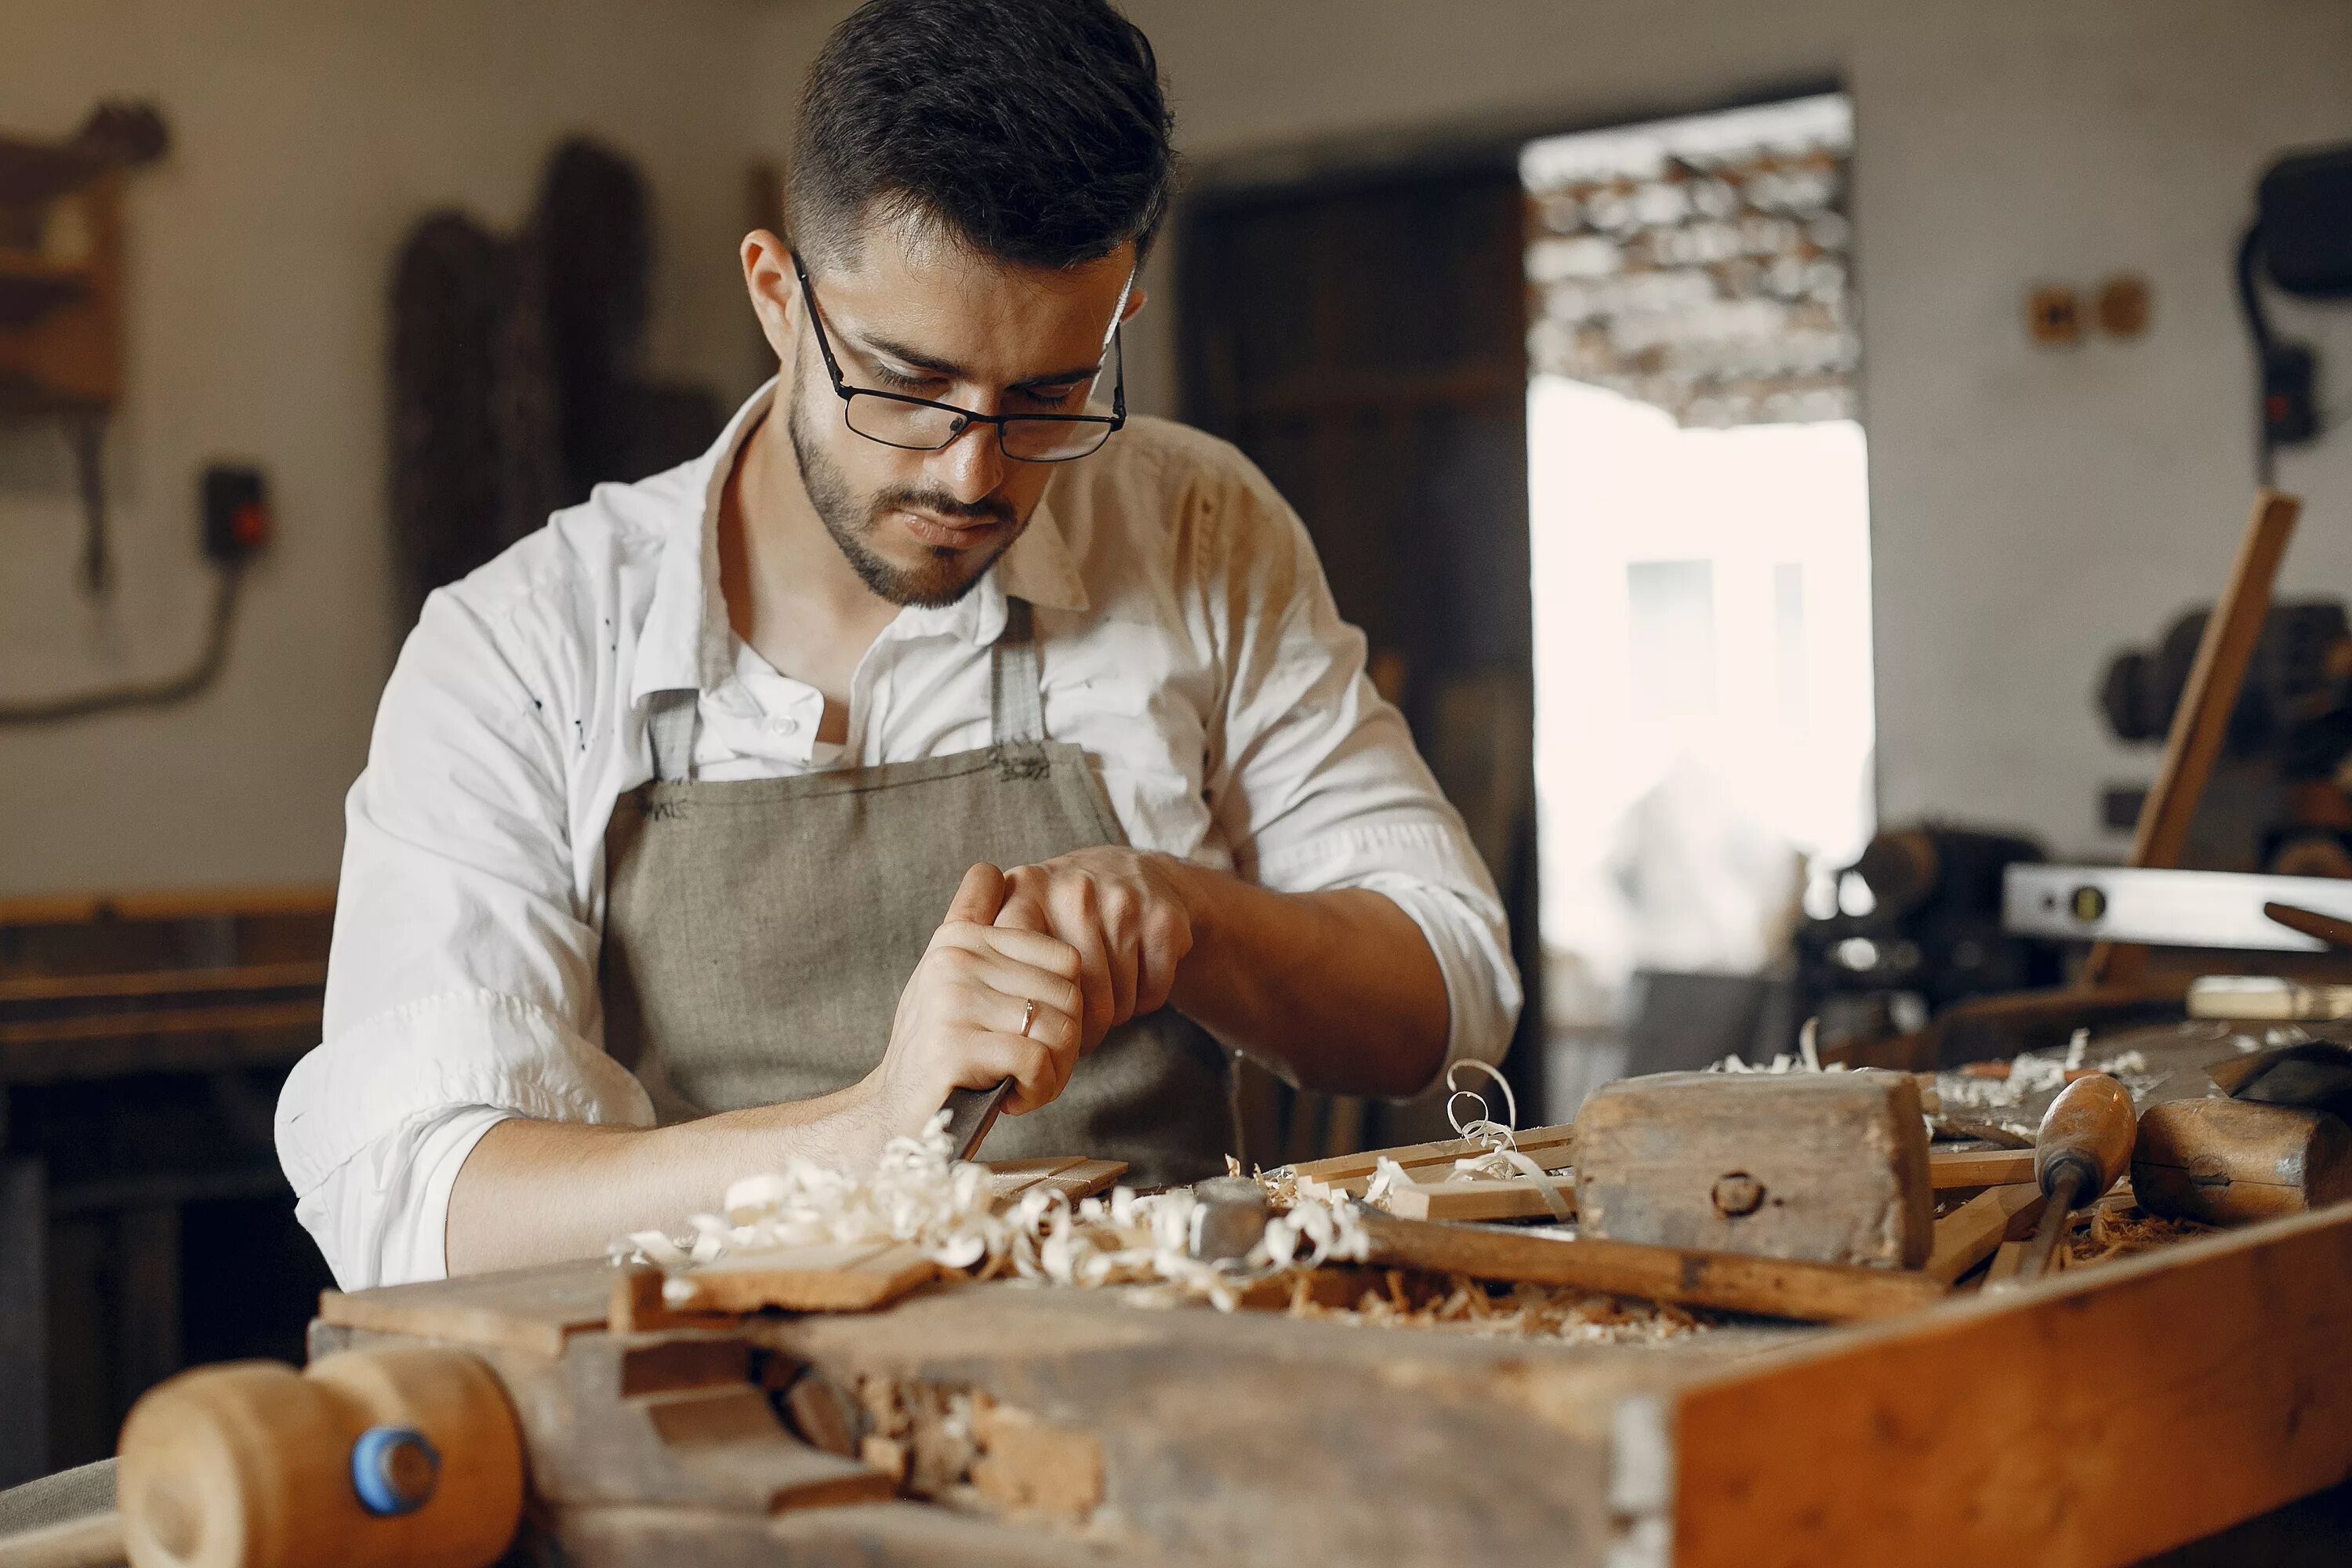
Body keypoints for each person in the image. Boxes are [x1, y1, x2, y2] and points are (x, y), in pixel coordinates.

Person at [275, 0, 1519, 1290]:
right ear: (778, 296)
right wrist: (866, 1134)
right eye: (909, 384)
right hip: (726, 1432)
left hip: (1165, 1387)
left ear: (1119, 314)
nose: (974, 471)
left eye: (1048, 396)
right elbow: (413, 1202)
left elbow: (1449, 993)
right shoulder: (526, 647)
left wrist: (1193, 920)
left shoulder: (1198, 528)